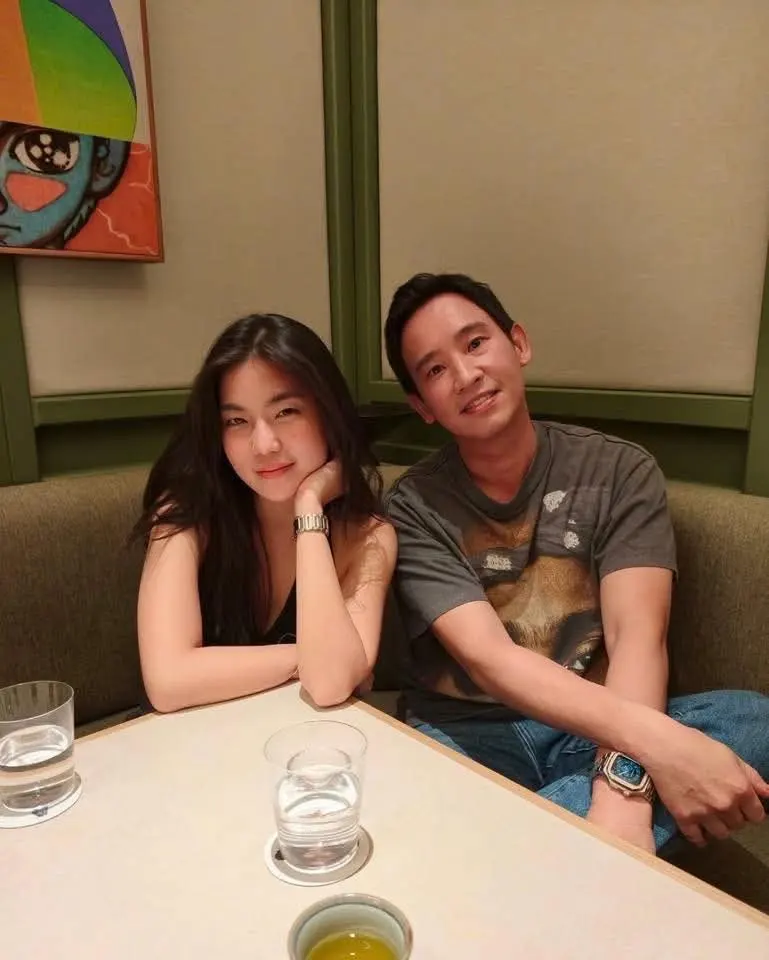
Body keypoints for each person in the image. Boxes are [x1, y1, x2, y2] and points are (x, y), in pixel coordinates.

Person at [383, 271, 769, 856]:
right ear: (421, 406)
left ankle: (511, 855)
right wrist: (658, 754)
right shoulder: (414, 505)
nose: (465, 375)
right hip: (467, 736)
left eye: (475, 343)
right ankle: (546, 851)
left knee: (752, 721)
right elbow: (491, 660)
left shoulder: (618, 472)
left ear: (519, 343)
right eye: (435, 370)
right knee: (419, 796)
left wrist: (622, 789)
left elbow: (637, 637)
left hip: (593, 729)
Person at [133, 313, 397, 713]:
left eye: (286, 412)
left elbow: (329, 684)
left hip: (300, 742)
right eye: (236, 421)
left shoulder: (365, 536)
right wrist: (308, 656)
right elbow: (167, 682)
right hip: (187, 740)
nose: (263, 444)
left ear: (328, 413)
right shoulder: (187, 514)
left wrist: (308, 505)